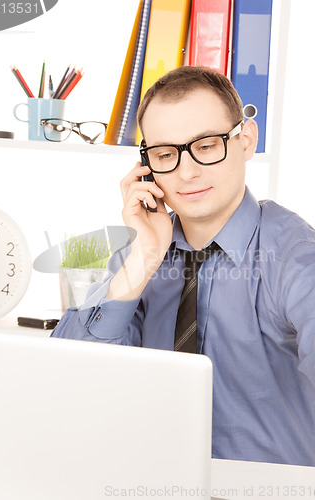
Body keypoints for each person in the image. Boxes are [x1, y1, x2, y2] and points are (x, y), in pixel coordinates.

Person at [52, 66, 315, 467]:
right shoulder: (140, 252)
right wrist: (145, 258)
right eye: (165, 154)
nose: (186, 172)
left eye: (207, 146)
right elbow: (65, 382)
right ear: (146, 166)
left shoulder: (294, 255)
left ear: (245, 140)